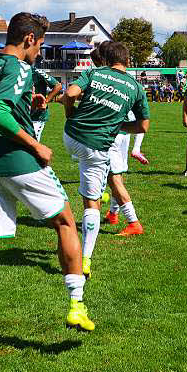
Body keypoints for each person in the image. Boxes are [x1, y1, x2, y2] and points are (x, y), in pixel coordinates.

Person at [0, 12, 92, 372]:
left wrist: (30, 109)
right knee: (65, 221)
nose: (39, 53)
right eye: (40, 45)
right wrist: (35, 144)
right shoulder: (20, 68)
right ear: (28, 39)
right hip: (19, 161)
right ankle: (76, 303)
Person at [62, 41, 150, 279]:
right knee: (92, 203)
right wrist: (119, 125)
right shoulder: (136, 87)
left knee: (106, 177)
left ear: (106, 60)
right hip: (100, 144)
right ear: (127, 61)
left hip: (71, 136)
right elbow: (143, 126)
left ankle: (114, 211)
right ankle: (85, 259)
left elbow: (69, 94)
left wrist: (71, 114)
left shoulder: (95, 73)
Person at [30, 65, 63, 142]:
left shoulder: (36, 72)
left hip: (37, 117)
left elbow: (58, 86)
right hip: (20, 114)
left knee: (32, 144)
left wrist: (45, 101)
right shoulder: (15, 70)